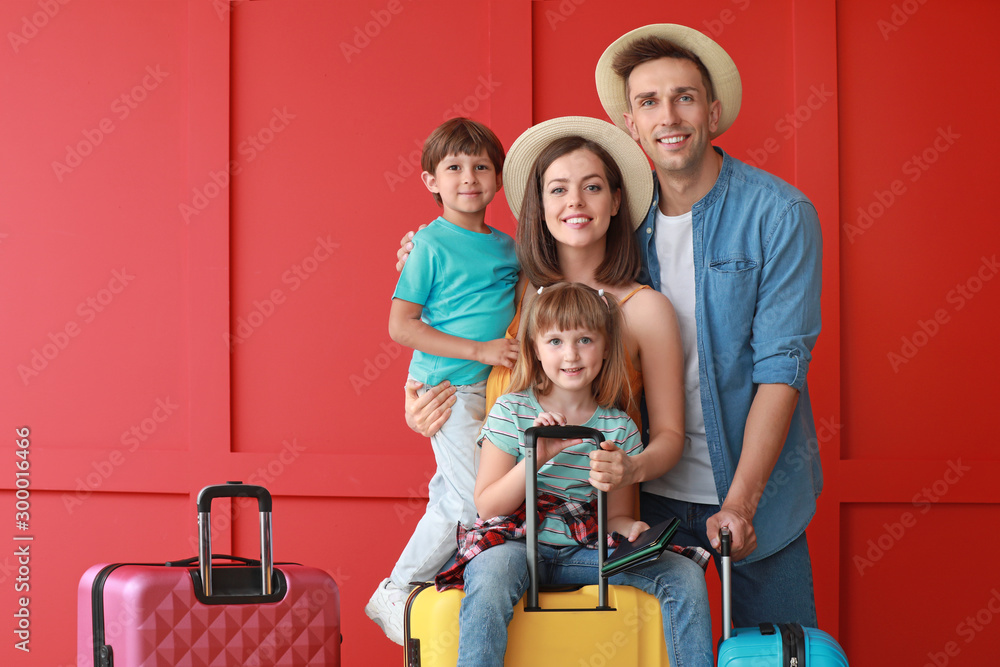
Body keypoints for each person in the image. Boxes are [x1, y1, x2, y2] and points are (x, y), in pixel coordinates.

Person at [592, 24, 824, 627]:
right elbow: (541, 286)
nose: (668, 116)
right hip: (646, 497)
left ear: (713, 111)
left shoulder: (780, 214)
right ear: (629, 123)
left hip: (757, 500)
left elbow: (781, 366)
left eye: (685, 97)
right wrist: (429, 256)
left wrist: (739, 504)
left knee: (773, 657)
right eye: (648, 102)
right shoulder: (616, 223)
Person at [442, 281, 712, 667]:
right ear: (535, 348)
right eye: (555, 341)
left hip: (584, 548)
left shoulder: (619, 429)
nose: (570, 354)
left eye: (585, 339)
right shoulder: (510, 411)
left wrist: (630, 528)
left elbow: (616, 515)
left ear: (605, 348)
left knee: (684, 574)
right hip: (516, 543)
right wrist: (535, 457)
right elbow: (488, 506)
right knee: (490, 573)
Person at [366, 117, 520, 645]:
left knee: (452, 495)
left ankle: (432, 589)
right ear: (431, 180)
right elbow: (400, 324)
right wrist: (482, 350)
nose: (469, 178)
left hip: (493, 390)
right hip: (447, 390)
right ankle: (400, 584)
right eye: (454, 167)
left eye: (481, 167)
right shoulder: (430, 245)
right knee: (476, 502)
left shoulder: (507, 247)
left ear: (499, 179)